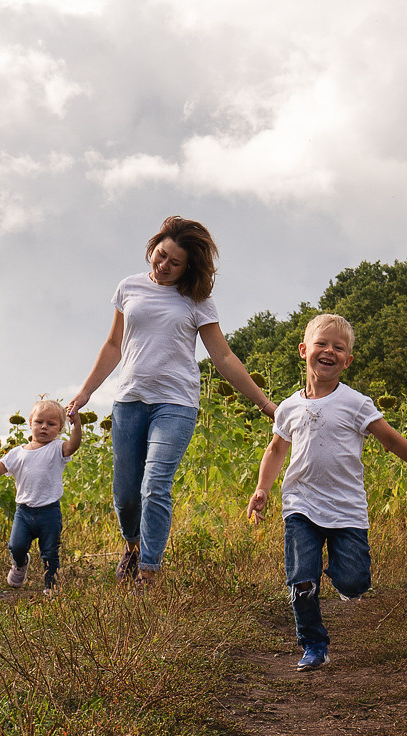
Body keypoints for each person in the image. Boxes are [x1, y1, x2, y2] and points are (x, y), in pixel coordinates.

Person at [246, 313, 407, 670]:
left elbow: (392, 440)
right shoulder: (288, 407)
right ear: (304, 350)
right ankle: (313, 644)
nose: (328, 351)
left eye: (338, 348)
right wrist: (262, 488)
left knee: (354, 581)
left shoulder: (355, 403)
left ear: (348, 360)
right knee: (302, 581)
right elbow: (276, 450)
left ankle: (344, 579)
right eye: (321, 344)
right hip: (300, 505)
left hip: (347, 510)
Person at [68, 215, 277, 583]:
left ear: (188, 268)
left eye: (174, 263)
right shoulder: (128, 287)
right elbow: (114, 345)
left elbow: (223, 356)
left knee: (155, 485)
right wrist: (86, 392)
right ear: (153, 248)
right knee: (127, 494)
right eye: (161, 256)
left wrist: (265, 404)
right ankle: (132, 548)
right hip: (130, 400)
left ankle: (149, 572)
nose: (164, 266)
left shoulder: (196, 300)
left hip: (176, 403)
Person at [0, 397, 83, 590]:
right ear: (30, 423)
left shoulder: (57, 448)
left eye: (51, 424)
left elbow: (74, 445)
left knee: (50, 552)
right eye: (39, 422)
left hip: (49, 511)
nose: (44, 427)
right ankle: (20, 564)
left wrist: (77, 424)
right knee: (16, 546)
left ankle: (50, 588)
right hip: (24, 512)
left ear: (60, 428)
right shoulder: (17, 453)